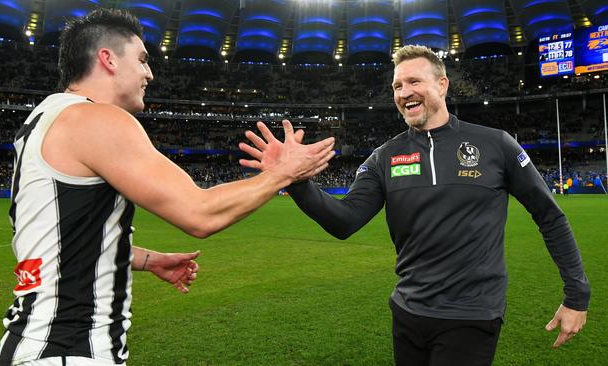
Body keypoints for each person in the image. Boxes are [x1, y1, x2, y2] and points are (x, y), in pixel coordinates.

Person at [0, 8, 335, 366]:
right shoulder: (95, 119)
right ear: (108, 59)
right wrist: (283, 173)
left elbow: (63, 237)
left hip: (33, 344)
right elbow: (200, 214)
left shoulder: (43, 119)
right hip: (69, 350)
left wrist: (147, 259)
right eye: (142, 60)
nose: (149, 73)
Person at [239, 45, 590, 366]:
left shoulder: (496, 145)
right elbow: (344, 221)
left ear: (442, 85)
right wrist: (295, 180)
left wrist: (577, 296)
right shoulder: (384, 158)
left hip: (471, 314)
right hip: (407, 312)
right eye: (396, 86)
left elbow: (550, 217)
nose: (404, 92)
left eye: (413, 81)